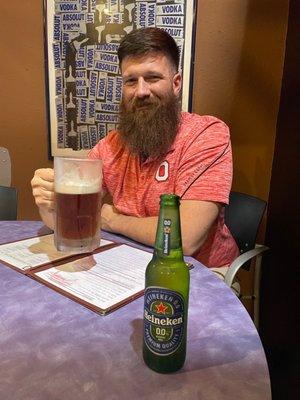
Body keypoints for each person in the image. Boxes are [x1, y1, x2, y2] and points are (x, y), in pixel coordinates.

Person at [31, 27, 239, 269]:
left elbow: (186, 238)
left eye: (152, 78)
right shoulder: (110, 146)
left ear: (176, 83)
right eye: (131, 80)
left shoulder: (206, 135)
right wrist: (47, 203)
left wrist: (114, 221)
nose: (141, 91)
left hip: (202, 272)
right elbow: (73, 222)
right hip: (131, 264)